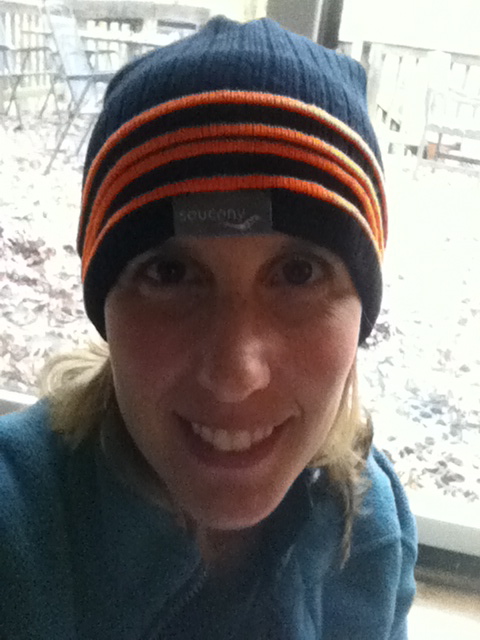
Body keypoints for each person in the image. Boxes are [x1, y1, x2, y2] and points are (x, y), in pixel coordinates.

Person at [0, 16, 417, 640]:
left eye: (298, 273)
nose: (235, 373)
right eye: (169, 273)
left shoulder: (368, 524)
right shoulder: (15, 528)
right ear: (105, 307)